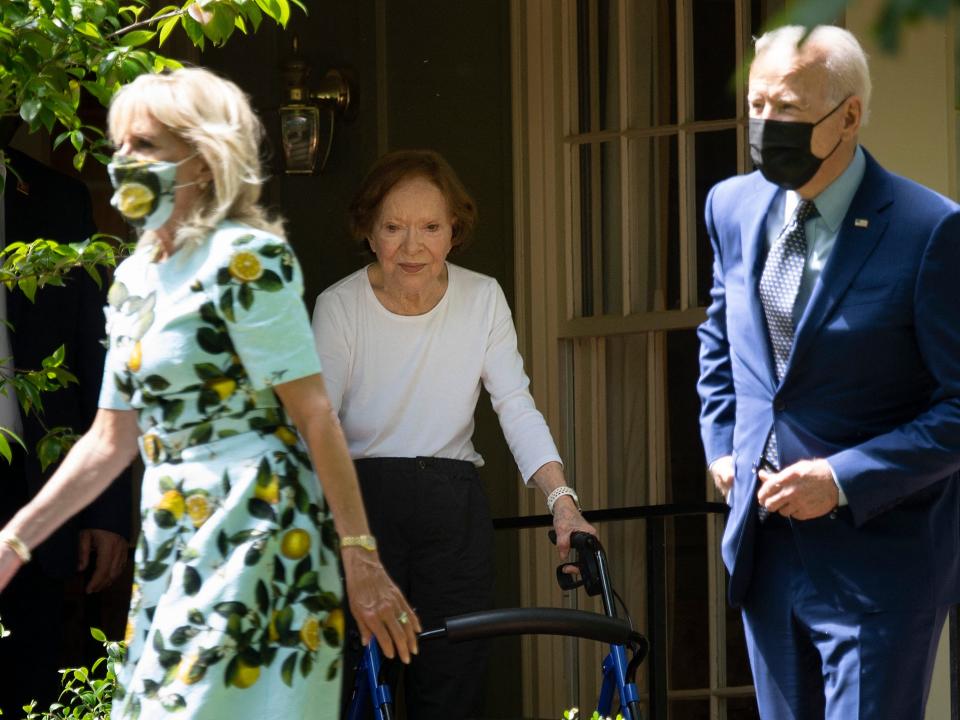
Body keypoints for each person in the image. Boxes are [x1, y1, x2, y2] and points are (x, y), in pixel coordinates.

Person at [0, 67, 419, 720]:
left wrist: (360, 558)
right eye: (120, 148)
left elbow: (315, 416)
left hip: (260, 532)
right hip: (175, 537)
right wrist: (15, 541)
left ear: (201, 157)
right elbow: (109, 440)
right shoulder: (133, 279)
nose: (123, 164)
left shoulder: (248, 261)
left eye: (145, 147)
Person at [697, 24, 960, 719]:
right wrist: (723, 445)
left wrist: (841, 479)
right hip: (766, 550)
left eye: (786, 108)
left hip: (881, 562)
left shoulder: (929, 230)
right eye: (755, 107)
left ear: (848, 114)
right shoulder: (731, 206)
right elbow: (719, 340)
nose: (765, 126)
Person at [312, 149, 596, 719]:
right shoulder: (340, 306)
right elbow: (320, 429)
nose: (411, 246)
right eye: (393, 227)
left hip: (453, 508)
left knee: (452, 692)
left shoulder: (482, 297)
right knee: (357, 692)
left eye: (430, 227)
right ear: (368, 233)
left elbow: (515, 405)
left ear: (454, 231)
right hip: (363, 508)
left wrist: (562, 502)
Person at [0, 135, 132, 711]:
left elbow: (92, 358)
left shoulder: (56, 200)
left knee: (29, 689)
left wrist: (104, 511)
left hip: (34, 490)